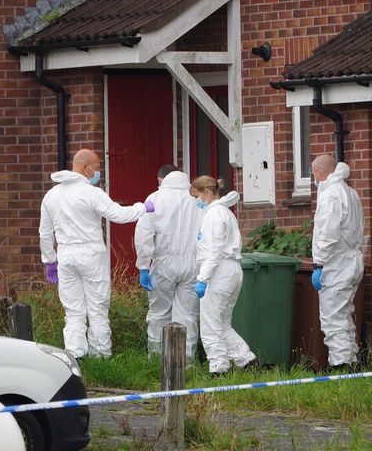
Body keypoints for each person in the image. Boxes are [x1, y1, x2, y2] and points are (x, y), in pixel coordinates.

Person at [40, 149, 154, 359]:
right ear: (86, 167)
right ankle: (100, 356)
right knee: (97, 308)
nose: (98, 172)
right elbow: (118, 215)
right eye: (97, 167)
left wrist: (49, 260)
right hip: (91, 253)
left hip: (65, 256)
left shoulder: (51, 195)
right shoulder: (91, 193)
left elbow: (45, 232)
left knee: (73, 311)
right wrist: (143, 208)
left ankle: (76, 356)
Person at [134, 164, 201, 359]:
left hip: (164, 263)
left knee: (159, 314)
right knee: (187, 315)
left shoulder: (155, 198)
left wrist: (143, 266)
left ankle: (156, 359)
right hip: (192, 263)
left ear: (160, 179)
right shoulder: (196, 199)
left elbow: (143, 234)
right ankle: (185, 362)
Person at [191, 175, 256, 376]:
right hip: (231, 270)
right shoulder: (224, 212)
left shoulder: (214, 215)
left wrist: (203, 278)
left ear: (206, 192)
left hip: (218, 272)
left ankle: (218, 368)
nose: (196, 201)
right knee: (222, 323)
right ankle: (246, 360)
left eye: (196, 196)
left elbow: (214, 250)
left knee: (210, 324)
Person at [310, 154, 365, 371]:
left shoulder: (331, 195)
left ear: (318, 173)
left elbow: (327, 233)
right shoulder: (350, 192)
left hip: (336, 264)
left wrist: (319, 264)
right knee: (344, 315)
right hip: (350, 260)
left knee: (333, 318)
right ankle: (351, 361)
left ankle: (341, 366)